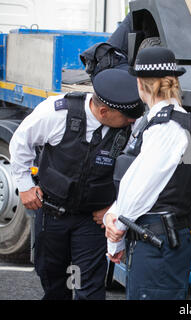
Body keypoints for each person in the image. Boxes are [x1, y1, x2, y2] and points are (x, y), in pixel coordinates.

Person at [9, 68, 144, 300]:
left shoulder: (133, 124)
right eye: (127, 117)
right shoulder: (56, 113)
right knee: (53, 283)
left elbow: (140, 172)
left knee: (89, 288)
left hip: (92, 220)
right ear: (103, 111)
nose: (132, 121)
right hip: (52, 214)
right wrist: (24, 186)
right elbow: (21, 141)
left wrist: (114, 208)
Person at [104, 46, 191, 300]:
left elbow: (140, 188)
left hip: (156, 243)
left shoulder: (166, 127)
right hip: (162, 239)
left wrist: (115, 231)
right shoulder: (175, 121)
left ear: (140, 84)